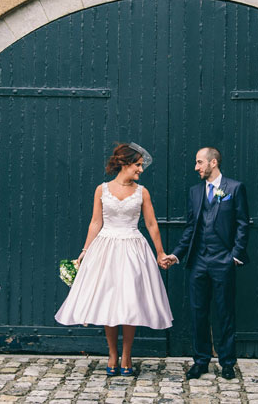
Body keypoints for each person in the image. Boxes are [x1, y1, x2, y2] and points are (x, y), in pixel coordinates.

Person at [55, 143, 173, 377]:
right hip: (106, 248)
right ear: (124, 163)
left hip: (133, 248)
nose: (141, 170)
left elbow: (151, 224)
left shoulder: (142, 192)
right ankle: (111, 354)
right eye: (138, 165)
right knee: (110, 301)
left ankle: (127, 354)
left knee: (130, 302)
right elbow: (96, 222)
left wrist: (160, 253)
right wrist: (85, 250)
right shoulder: (102, 189)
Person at [161, 147, 249, 380]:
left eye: (199, 162)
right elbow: (191, 227)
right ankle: (201, 361)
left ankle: (227, 362)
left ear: (213, 162)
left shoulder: (234, 188)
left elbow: (242, 223)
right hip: (199, 261)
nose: (196, 167)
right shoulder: (195, 191)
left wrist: (235, 255)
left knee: (225, 312)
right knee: (198, 312)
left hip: (223, 260)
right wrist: (177, 254)